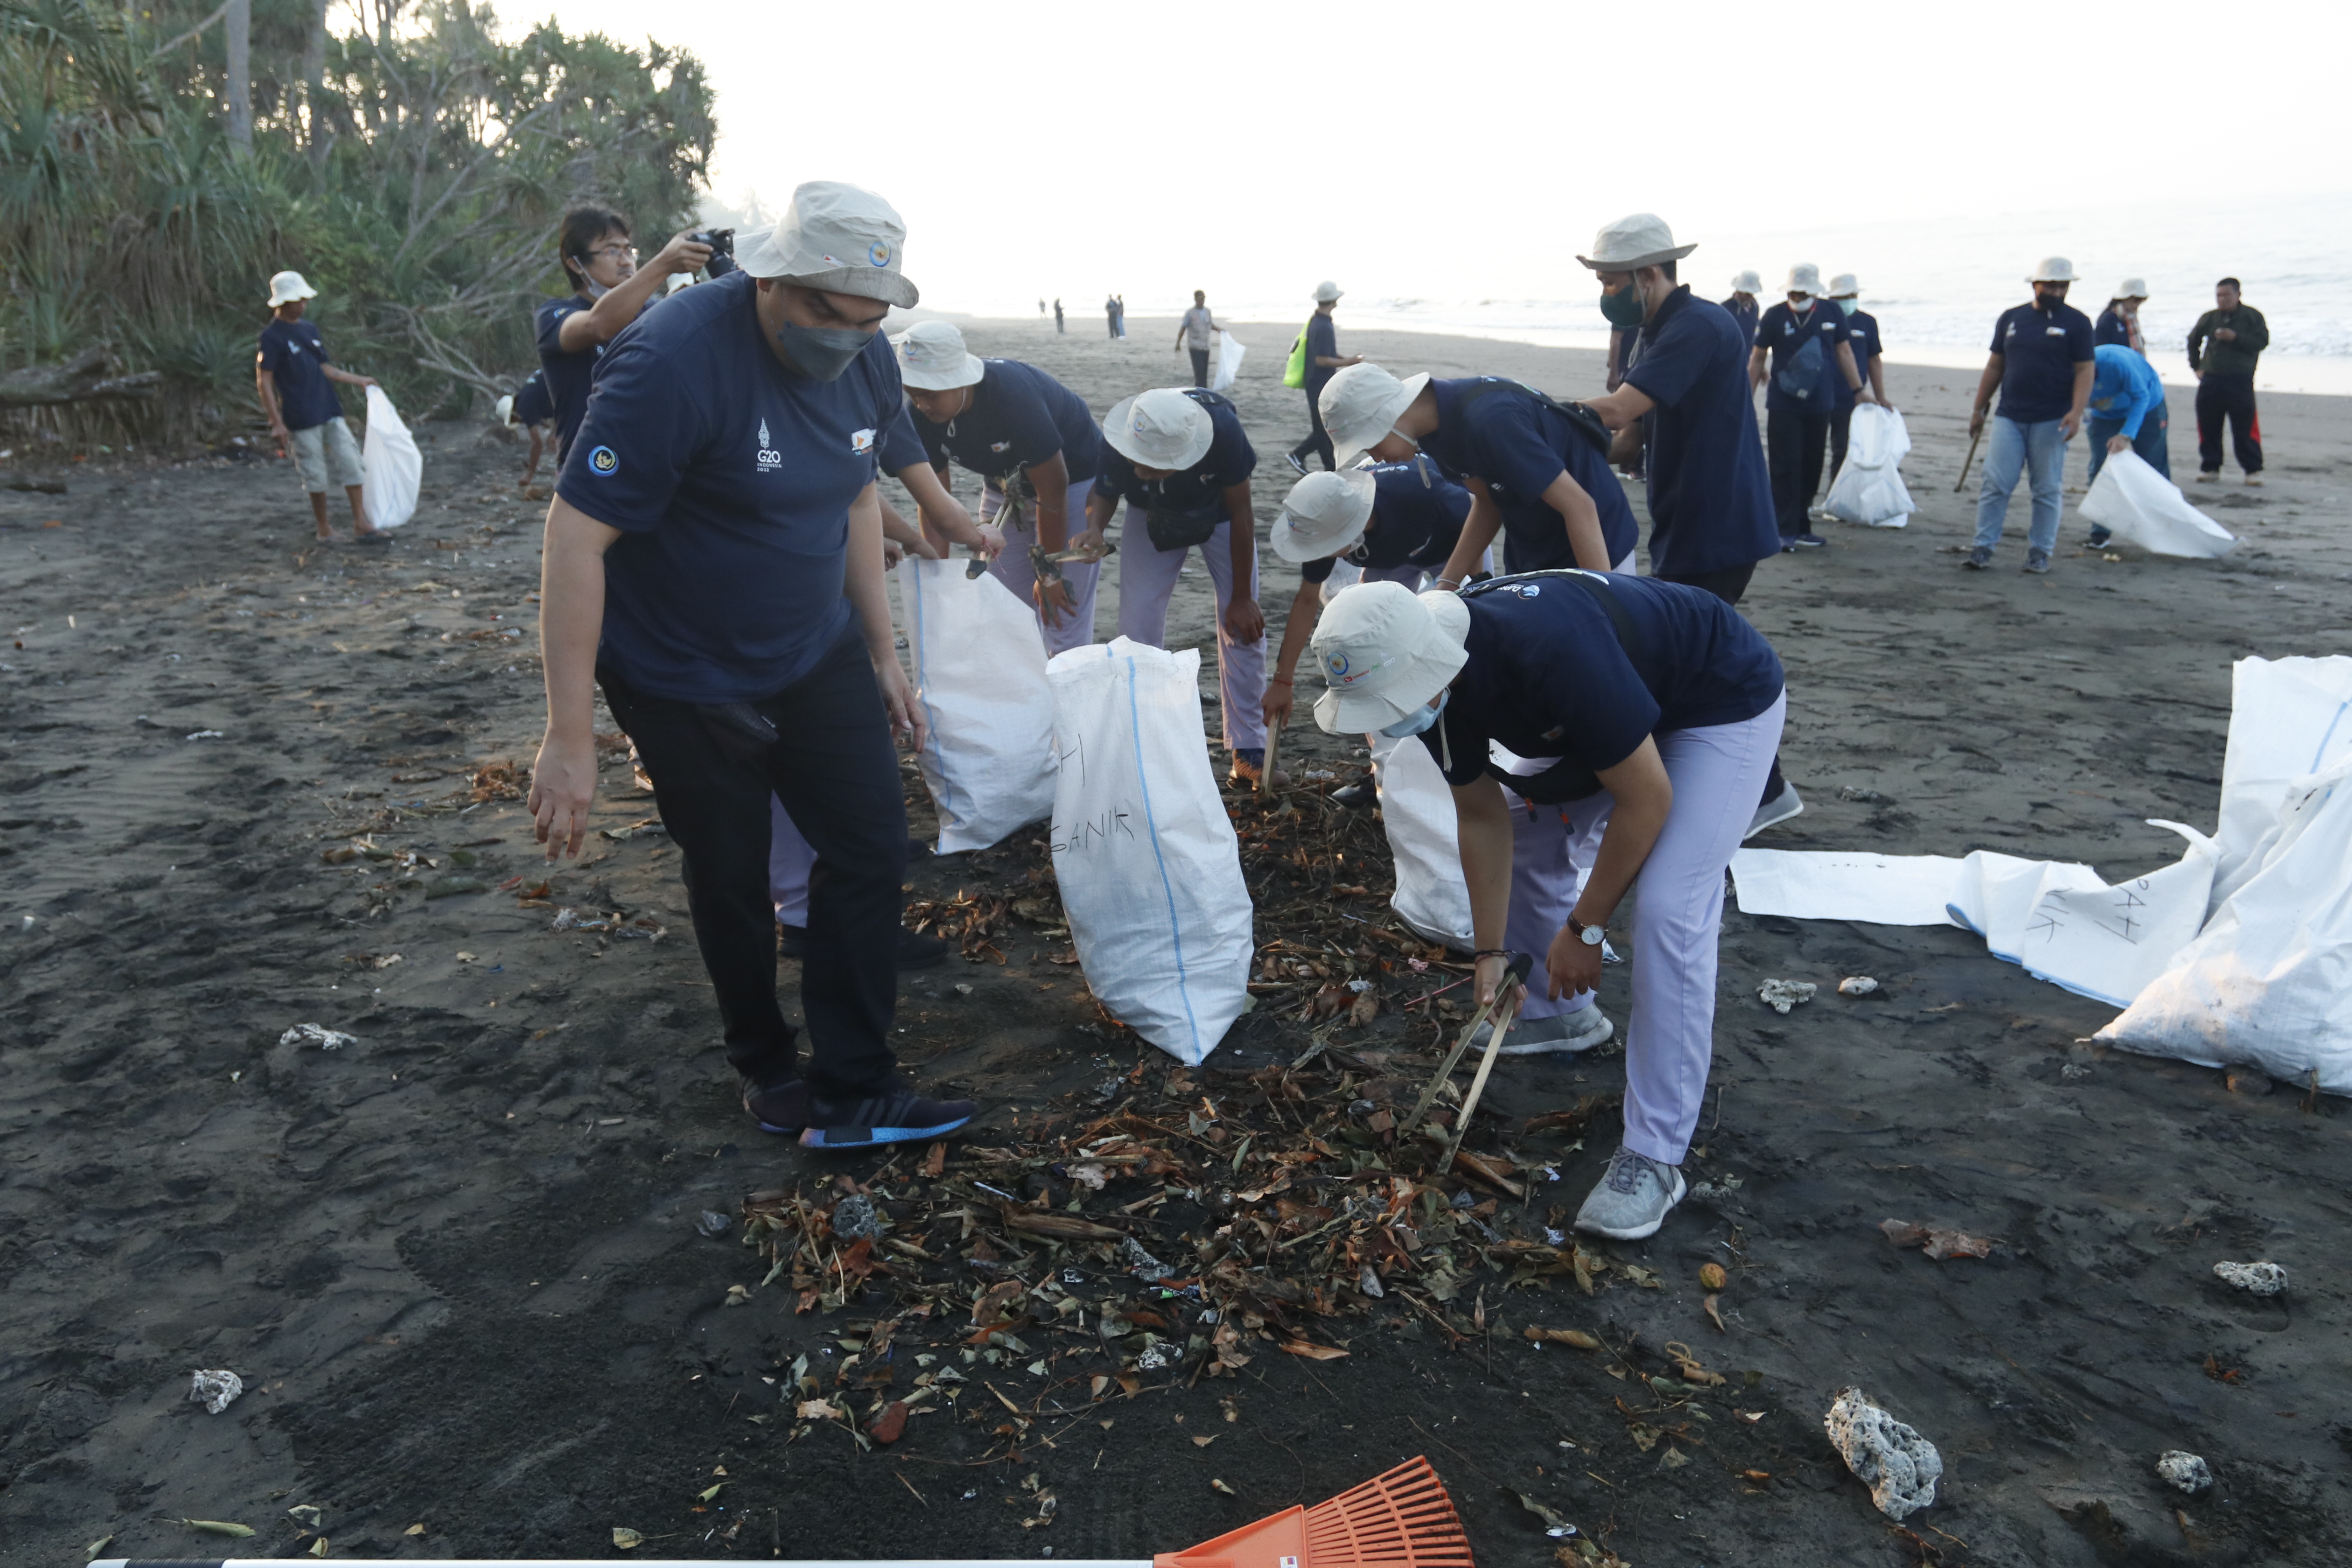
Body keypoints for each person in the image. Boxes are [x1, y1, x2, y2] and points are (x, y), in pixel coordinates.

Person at [527, 179, 975, 1151]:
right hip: (680, 672)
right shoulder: (673, 360)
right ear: (771, 281)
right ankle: (766, 1063)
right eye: (823, 311)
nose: (841, 334)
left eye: (865, 319)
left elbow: (855, 496)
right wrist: (569, 735)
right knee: (727, 873)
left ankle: (856, 1089)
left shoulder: (863, 364)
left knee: (867, 849)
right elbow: (575, 537)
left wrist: (881, 651)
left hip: (812, 649)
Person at [1309, 574, 1786, 1238]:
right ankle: (1559, 1016)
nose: (1395, 718)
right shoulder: (1424, 681)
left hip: (1713, 700)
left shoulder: (1550, 650)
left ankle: (1655, 1153)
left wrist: (1586, 929)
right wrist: (1489, 951)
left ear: (1431, 664)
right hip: (1611, 713)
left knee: (1671, 905)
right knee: (1529, 830)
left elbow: (1645, 798)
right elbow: (1480, 818)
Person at [1576, 213, 1799, 839]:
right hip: (1684, 519)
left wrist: (1528, 414)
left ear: (1650, 274)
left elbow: (1619, 407)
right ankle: (1766, 789)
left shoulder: (1699, 326)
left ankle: (1755, 791)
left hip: (1719, 520)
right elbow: (1630, 437)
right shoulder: (1660, 330)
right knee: (1704, 654)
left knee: (1678, 656)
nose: (1605, 293)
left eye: (1612, 281)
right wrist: (1565, 460)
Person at [1079, 386, 1275, 785]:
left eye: (1153, 465)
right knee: (1138, 625)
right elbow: (1103, 492)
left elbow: (1242, 513)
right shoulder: (1123, 436)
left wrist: (1240, 598)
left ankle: (1248, 744)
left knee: (1243, 626)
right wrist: (1095, 528)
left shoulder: (1223, 431)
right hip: (1149, 512)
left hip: (1220, 514)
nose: (1139, 471)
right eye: (1139, 460)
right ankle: (1144, 733)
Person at [1319, 362, 1637, 584]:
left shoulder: (1490, 420)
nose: (1375, 457)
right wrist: (1448, 584)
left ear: (1388, 415)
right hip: (1534, 545)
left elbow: (1580, 506)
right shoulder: (1432, 429)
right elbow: (1487, 502)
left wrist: (1604, 594)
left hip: (1597, 544)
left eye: (1369, 442)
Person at [895, 321, 1105, 655]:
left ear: (960, 379)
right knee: (1003, 607)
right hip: (1004, 484)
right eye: (913, 393)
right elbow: (934, 500)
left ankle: (1069, 694)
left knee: (1059, 608)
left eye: (930, 394)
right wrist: (938, 576)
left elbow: (1053, 489)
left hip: (1071, 479)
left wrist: (1049, 573)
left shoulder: (1011, 397)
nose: (921, 404)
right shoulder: (920, 415)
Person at [536, 205, 712, 467]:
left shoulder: (652, 310)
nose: (625, 259)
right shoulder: (555, 315)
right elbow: (599, 325)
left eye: (628, 249)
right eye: (611, 251)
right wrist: (663, 264)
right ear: (575, 263)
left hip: (651, 465)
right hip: (589, 470)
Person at [1965, 257, 2095, 573]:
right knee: (1996, 482)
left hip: (2053, 417)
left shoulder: (2078, 323)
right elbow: (1996, 364)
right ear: (2035, 285)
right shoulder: (2012, 318)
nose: (2057, 290)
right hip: (2010, 414)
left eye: (2062, 286)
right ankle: (1983, 546)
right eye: (2051, 284)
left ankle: (2040, 550)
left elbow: (2085, 369)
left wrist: (2077, 412)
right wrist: (1979, 408)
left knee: (2047, 487)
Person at [1747, 263, 1874, 550]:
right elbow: (1757, 358)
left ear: (1815, 291)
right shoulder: (1775, 315)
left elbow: (1844, 352)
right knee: (1784, 465)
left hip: (1820, 403)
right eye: (1793, 291)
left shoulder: (1831, 313)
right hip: (1783, 403)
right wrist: (1746, 396)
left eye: (1803, 292)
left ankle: (1803, 526)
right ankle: (1783, 529)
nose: (1798, 296)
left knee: (1811, 464)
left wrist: (1858, 390)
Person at [256, 270, 382, 543]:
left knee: (352, 463)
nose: (302, 305)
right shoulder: (272, 337)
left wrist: (360, 380)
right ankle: (324, 528)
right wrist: (276, 422)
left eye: (303, 300)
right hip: (300, 416)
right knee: (316, 474)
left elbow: (325, 368)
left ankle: (360, 522)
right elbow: (264, 380)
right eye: (296, 300)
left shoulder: (309, 330)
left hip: (329, 409)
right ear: (282, 303)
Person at [2083, 342, 2171, 548]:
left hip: (2148, 405)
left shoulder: (2115, 364)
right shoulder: (2066, 370)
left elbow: (2142, 396)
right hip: (2103, 415)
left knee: (2153, 467)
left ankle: (2164, 527)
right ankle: (2100, 532)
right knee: (2100, 467)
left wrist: (2125, 435)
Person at [2189, 277, 2268, 485]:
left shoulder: (2252, 316)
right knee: (2208, 425)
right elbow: (2193, 340)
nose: (2222, 299)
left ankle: (2252, 470)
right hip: (2212, 379)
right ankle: (2210, 467)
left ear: (2238, 294)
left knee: (2245, 427)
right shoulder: (2209, 318)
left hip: (2240, 379)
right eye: (2219, 295)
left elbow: (2262, 342)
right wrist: (2196, 366)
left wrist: (2236, 337)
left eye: (2227, 295)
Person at [1287, 280, 1363, 475]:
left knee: (1325, 428)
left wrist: (1347, 359)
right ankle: (1304, 457)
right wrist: (1347, 363)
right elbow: (1321, 360)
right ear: (1335, 300)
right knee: (1325, 430)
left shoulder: (1317, 321)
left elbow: (1328, 353)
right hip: (1320, 385)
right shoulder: (1323, 327)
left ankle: (1327, 466)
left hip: (1317, 383)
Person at [1824, 273, 1890, 482]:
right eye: (1842, 297)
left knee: (1843, 448)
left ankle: (1838, 495)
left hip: (1851, 395)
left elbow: (1874, 360)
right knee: (1812, 450)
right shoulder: (1822, 319)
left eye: (1851, 295)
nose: (1847, 300)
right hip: (1821, 393)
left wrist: (1880, 396)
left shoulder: (1867, 322)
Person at [502, 369, 556, 492]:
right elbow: (560, 408)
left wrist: (530, 473)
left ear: (513, 414)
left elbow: (537, 444)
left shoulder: (525, 407)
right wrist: (553, 433)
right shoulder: (526, 394)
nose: (519, 423)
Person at [1177, 290, 1220, 388]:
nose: (1202, 301)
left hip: (1205, 346)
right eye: (1200, 299)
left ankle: (1204, 391)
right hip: (1195, 347)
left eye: (1203, 299)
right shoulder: (1190, 313)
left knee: (1204, 372)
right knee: (1199, 372)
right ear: (1195, 299)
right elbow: (1183, 328)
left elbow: (1209, 325)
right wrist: (1178, 343)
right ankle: (1199, 392)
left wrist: (1218, 329)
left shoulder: (1207, 311)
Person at [2096, 279, 2148, 353]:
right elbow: (2100, 349)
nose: (2138, 304)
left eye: (2142, 300)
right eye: (2137, 300)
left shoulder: (2131, 319)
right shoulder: (2109, 319)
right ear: (2125, 298)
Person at [1719, 269, 1762, 349]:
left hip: (1748, 351)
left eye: (1749, 294)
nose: (1743, 296)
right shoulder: (1725, 308)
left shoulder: (1754, 306)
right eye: (1740, 292)